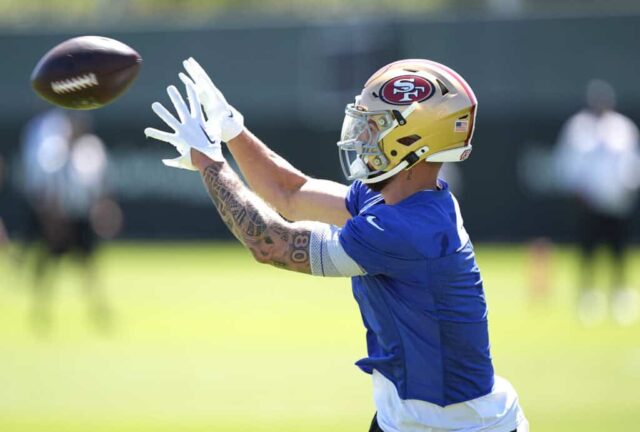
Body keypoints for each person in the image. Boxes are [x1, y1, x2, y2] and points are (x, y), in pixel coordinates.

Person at [145, 58, 528, 431]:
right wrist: (232, 131)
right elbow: (291, 192)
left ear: (412, 140)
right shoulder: (398, 202)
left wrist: (210, 161)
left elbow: (270, 243)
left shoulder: (405, 229)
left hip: (459, 425)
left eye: (375, 125)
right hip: (405, 417)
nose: (361, 136)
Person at [19, 109, 114, 334]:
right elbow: (46, 191)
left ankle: (98, 310)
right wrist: (50, 221)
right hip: (59, 218)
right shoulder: (53, 153)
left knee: (88, 266)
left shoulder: (91, 152)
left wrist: (104, 211)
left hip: (81, 217)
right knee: (48, 266)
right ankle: (41, 310)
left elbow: (100, 187)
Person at [554, 80, 640, 326]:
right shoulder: (578, 127)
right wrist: (576, 190)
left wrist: (628, 186)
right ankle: (588, 296)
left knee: (619, 251)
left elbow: (631, 161)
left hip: (617, 202)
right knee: (588, 251)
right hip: (588, 203)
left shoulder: (623, 127)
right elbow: (567, 162)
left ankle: (620, 295)